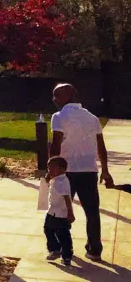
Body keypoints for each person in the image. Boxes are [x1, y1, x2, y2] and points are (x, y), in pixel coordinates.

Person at [49, 82, 113, 262]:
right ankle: (95, 250)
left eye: (56, 95)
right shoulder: (92, 118)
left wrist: (51, 168)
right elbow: (101, 147)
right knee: (92, 212)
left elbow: (56, 144)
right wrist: (105, 171)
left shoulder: (59, 116)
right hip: (89, 171)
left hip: (66, 172)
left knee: (60, 210)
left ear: (68, 96)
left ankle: (62, 248)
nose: (53, 99)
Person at [43, 155, 75, 266]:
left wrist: (70, 213)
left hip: (61, 214)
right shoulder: (56, 179)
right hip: (52, 211)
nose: (49, 170)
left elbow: (67, 197)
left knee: (63, 234)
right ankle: (55, 250)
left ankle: (66, 256)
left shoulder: (61, 182)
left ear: (62, 169)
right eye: (48, 168)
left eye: (52, 168)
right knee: (48, 229)